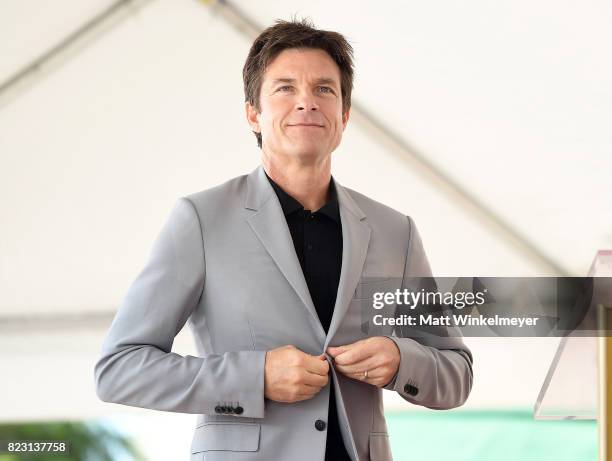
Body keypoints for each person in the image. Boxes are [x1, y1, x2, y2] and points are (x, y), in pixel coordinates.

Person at [94, 18, 473, 461]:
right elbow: (118, 369)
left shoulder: (395, 231)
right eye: (285, 88)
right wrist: (255, 378)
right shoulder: (200, 219)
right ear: (253, 112)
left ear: (345, 115)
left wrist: (400, 360)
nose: (307, 103)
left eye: (325, 90)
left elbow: (456, 374)